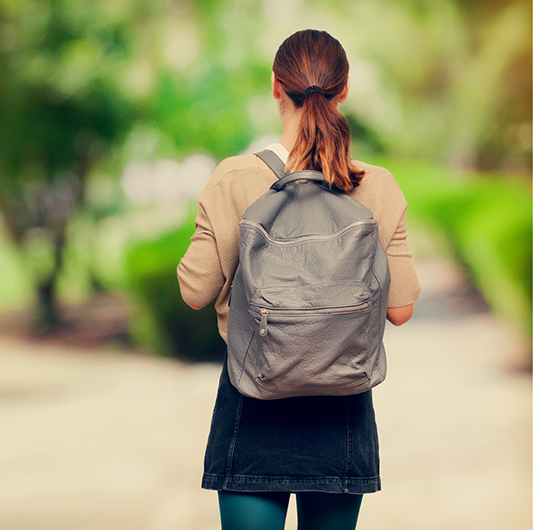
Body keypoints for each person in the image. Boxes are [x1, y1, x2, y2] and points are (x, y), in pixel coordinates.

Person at [177, 30, 420, 530]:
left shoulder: (236, 178)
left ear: (275, 86)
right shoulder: (376, 186)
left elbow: (194, 290)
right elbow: (400, 309)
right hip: (342, 410)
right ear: (344, 88)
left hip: (253, 399)